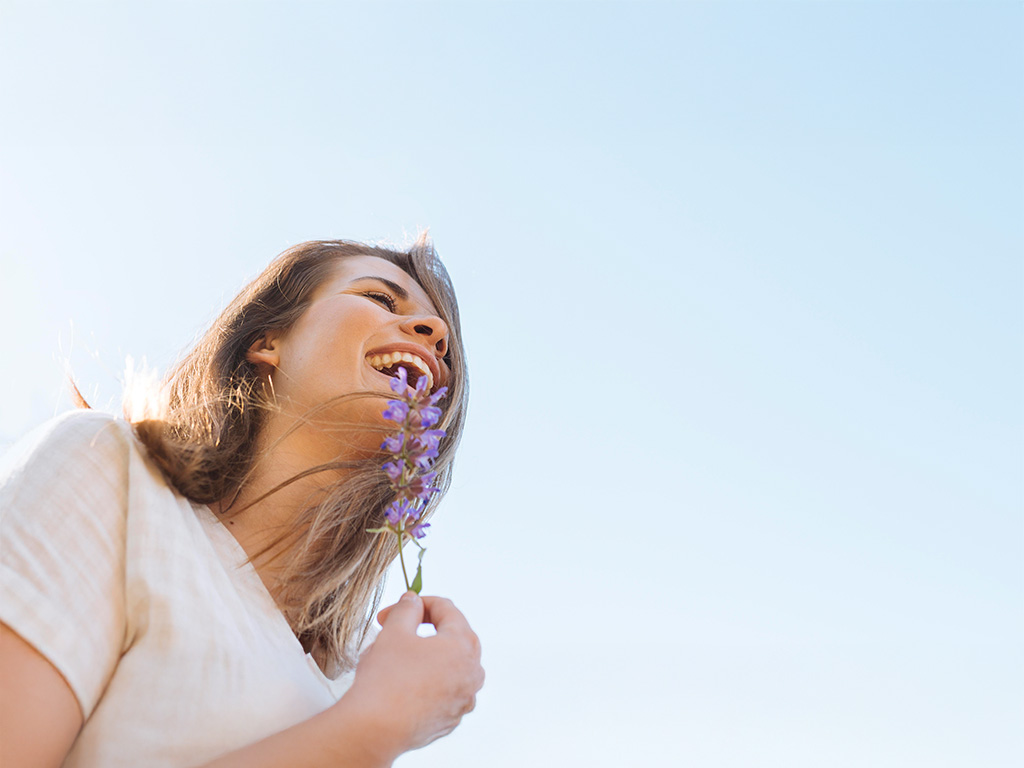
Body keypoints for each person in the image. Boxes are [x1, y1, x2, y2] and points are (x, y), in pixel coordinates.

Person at [0, 235, 484, 767]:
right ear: (268, 340)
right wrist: (372, 729)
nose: (435, 334)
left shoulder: (353, 676)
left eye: (443, 346)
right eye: (379, 299)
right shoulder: (110, 474)